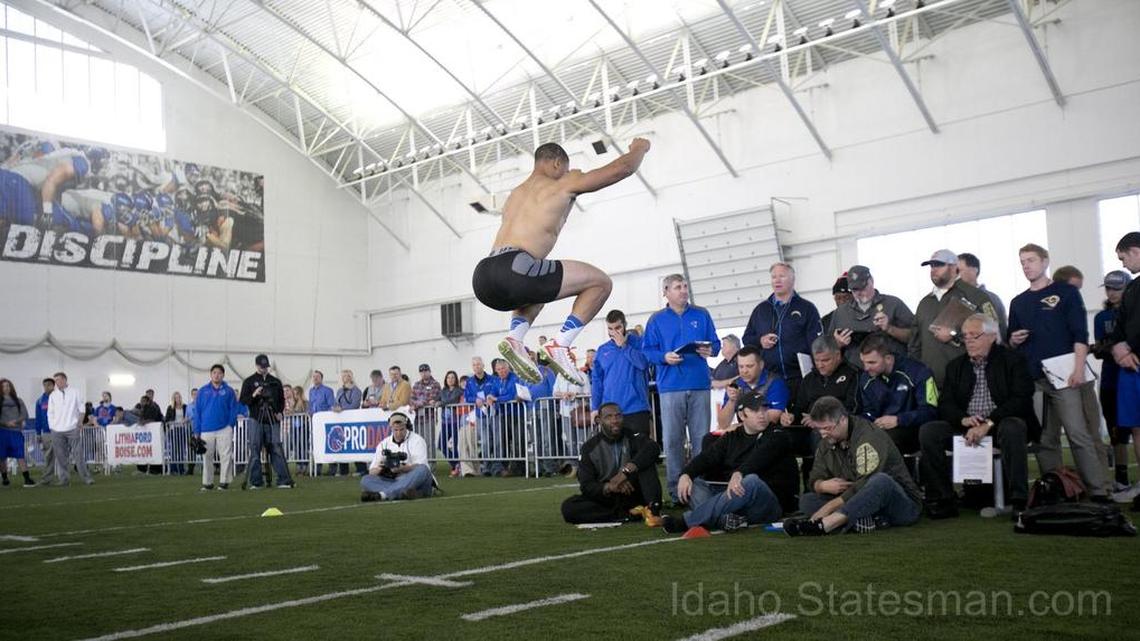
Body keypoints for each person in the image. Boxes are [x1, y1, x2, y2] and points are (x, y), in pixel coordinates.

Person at [472, 140, 651, 385]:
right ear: (557, 163)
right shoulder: (563, 182)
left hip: (484, 276)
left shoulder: (516, 194)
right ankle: (560, 344)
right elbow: (623, 169)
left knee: (538, 285)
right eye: (566, 169)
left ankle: (515, 337)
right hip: (517, 269)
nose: (568, 174)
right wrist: (639, 148)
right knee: (600, 283)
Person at [1008, 243, 1109, 499]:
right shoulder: (1018, 302)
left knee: (1078, 434)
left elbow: (1080, 334)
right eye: (1022, 262)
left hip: (1066, 376)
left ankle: (1098, 490)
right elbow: (1011, 342)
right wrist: (1014, 340)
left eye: (1030, 260)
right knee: (1044, 439)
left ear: (1044, 262)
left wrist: (1077, 369)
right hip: (1035, 378)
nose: (1026, 266)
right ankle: (1056, 489)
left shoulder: (1065, 292)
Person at [918, 314, 1037, 519]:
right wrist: (962, 419)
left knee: (1013, 427)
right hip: (968, 423)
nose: (969, 341)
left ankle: (1018, 500)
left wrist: (989, 423)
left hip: (1000, 423)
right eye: (965, 336)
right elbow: (946, 403)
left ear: (992, 336)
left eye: (975, 336)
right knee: (930, 432)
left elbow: (1021, 399)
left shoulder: (1013, 361)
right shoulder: (956, 366)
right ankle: (943, 499)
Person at [784, 396, 922, 536]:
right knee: (807, 500)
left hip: (900, 503)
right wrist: (822, 485)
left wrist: (828, 508)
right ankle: (864, 519)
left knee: (881, 481)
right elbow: (815, 476)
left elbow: (865, 482)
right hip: (853, 498)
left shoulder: (869, 437)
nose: (823, 434)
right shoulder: (826, 441)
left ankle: (825, 525)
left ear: (843, 419)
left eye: (827, 428)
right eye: (819, 429)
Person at [662, 391, 797, 533]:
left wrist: (739, 473)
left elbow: (760, 457)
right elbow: (707, 457)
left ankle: (686, 521)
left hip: (769, 502)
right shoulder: (731, 437)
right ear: (741, 415)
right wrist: (686, 474)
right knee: (695, 482)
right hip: (735, 498)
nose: (761, 414)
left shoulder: (778, 435)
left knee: (751, 481)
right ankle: (723, 519)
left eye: (764, 409)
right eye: (755, 410)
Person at [642, 274, 721, 503]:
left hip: (699, 383)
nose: (684, 290)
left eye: (685, 286)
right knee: (673, 440)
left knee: (701, 439)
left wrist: (711, 350)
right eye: (678, 287)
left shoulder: (702, 314)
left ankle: (699, 489)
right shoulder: (656, 320)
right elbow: (647, 351)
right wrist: (663, 357)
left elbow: (715, 343)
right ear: (666, 292)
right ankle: (676, 492)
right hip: (670, 387)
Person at [560, 403, 662, 524]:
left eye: (618, 416)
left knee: (645, 462)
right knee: (569, 507)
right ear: (599, 420)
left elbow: (653, 448)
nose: (615, 420)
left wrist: (625, 473)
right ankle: (626, 515)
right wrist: (609, 487)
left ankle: (653, 510)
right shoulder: (589, 448)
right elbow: (586, 486)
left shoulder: (633, 436)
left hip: (633, 492)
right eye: (609, 417)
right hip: (609, 497)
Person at [909, 249, 996, 389]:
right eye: (931, 266)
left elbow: (993, 334)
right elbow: (915, 344)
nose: (933, 270)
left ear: (954, 267)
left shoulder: (975, 296)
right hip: (931, 384)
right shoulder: (925, 302)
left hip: (969, 382)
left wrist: (954, 335)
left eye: (939, 265)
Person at [781, 335, 860, 489]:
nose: (820, 365)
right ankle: (790, 492)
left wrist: (819, 421)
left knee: (819, 435)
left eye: (825, 360)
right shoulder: (810, 379)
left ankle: (821, 485)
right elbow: (800, 408)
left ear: (837, 355)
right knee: (780, 437)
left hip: (838, 427)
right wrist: (790, 417)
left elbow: (852, 407)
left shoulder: (852, 374)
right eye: (817, 361)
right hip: (807, 427)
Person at [741, 262, 823, 390]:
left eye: (782, 276)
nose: (777, 280)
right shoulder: (761, 310)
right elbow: (747, 338)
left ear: (793, 279)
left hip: (801, 377)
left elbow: (817, 343)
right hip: (769, 379)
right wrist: (760, 341)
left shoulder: (807, 308)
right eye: (774, 277)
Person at [855, 334, 938, 455]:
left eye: (872, 362)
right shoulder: (866, 378)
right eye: (863, 362)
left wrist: (899, 420)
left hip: (912, 429)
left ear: (888, 359)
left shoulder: (919, 372)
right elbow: (869, 411)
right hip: (881, 429)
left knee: (883, 441)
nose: (866, 368)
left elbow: (930, 412)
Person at [828, 265, 915, 370]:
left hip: (892, 374)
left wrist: (889, 328)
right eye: (855, 290)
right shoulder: (841, 313)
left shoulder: (893, 304)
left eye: (863, 287)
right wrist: (838, 344)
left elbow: (915, 337)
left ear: (872, 281)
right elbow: (828, 347)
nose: (860, 293)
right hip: (855, 375)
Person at [1106, 232, 1140, 502]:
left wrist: (1129, 346)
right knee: (1137, 427)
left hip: (1135, 359)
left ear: (1136, 251)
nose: (1124, 264)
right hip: (1130, 367)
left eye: (1124, 257)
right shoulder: (1133, 288)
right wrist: (1118, 347)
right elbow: (1120, 325)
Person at [1094, 270, 1134, 493]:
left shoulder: (1133, 314)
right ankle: (1121, 478)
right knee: (1116, 431)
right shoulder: (1102, 317)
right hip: (1111, 379)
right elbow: (1100, 350)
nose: (1112, 292)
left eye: (1116, 288)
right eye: (1108, 288)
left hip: (1130, 374)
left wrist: (1110, 346)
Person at [590, 309, 651, 434]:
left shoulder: (639, 343)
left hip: (636, 407)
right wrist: (595, 407)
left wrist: (624, 346)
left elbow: (643, 364)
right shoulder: (602, 350)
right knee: (614, 451)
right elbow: (597, 381)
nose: (613, 332)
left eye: (617, 327)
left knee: (640, 449)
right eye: (610, 329)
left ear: (625, 325)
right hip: (610, 411)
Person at [239, 354, 294, 490]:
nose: (264, 369)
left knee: (276, 448)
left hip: (272, 420)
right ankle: (256, 481)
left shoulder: (275, 382)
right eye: (262, 367)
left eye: (266, 367)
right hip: (256, 419)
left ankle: (283, 480)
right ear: (257, 365)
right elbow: (243, 400)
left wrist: (280, 412)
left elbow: (281, 400)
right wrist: (254, 394)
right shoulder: (249, 381)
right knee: (255, 448)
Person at [360, 410, 433, 502]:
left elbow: (421, 466)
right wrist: (381, 469)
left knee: (423, 470)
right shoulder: (384, 444)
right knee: (365, 480)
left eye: (402, 429)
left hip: (414, 480)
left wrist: (403, 468)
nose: (398, 433)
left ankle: (383, 495)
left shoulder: (417, 440)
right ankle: (403, 493)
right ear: (391, 428)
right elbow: (372, 471)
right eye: (396, 430)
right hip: (393, 480)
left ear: (407, 427)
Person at [191, 364, 240, 491]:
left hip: (224, 428)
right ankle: (207, 483)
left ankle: (224, 482)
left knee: (226, 456)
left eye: (219, 373)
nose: (216, 375)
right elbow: (197, 411)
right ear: (211, 375)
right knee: (207, 456)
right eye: (214, 373)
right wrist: (196, 430)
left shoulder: (229, 391)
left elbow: (234, 409)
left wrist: (230, 425)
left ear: (223, 375)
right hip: (206, 429)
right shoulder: (202, 391)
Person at [717, 346, 787, 429]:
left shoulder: (774, 382)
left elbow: (772, 418)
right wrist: (732, 401)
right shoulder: (736, 384)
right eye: (741, 367)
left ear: (761, 365)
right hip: (744, 436)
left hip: (770, 434)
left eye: (749, 366)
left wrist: (739, 428)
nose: (744, 371)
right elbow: (723, 424)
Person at [47, 372, 92, 486]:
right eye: (55, 380)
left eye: (58, 380)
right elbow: (50, 413)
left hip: (72, 428)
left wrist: (80, 423)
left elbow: (82, 409)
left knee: (78, 455)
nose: (56, 382)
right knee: (61, 457)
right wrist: (52, 427)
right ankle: (64, 480)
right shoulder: (53, 395)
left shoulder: (75, 391)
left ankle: (86, 478)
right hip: (56, 430)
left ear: (65, 380)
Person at [958, 252, 1009, 338]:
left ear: (974, 270)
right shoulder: (953, 297)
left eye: (959, 270)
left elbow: (997, 331)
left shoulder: (989, 298)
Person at [485, 358, 522, 477]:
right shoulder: (497, 381)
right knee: (503, 442)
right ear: (496, 370)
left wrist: (497, 399)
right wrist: (490, 396)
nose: (501, 371)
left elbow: (512, 395)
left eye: (503, 369)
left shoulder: (515, 378)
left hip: (516, 414)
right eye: (499, 369)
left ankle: (519, 468)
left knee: (517, 442)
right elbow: (493, 392)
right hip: (502, 414)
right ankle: (504, 469)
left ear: (508, 368)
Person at [0, 378, 35, 487]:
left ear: (11, 387)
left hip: (16, 432)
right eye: (4, 386)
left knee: (20, 455)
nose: (6, 388)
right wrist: (5, 424)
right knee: (2, 457)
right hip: (2, 432)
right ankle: (5, 479)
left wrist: (15, 422)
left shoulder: (19, 401)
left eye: (8, 386)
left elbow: (25, 415)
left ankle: (27, 479)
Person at [439, 371, 464, 477]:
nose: (450, 379)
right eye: (448, 377)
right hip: (445, 422)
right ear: (446, 379)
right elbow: (438, 399)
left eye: (453, 377)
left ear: (456, 379)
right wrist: (433, 402)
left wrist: (440, 403)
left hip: (455, 421)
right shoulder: (443, 390)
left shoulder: (459, 390)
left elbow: (452, 400)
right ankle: (456, 464)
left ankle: (457, 467)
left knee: (455, 445)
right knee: (441, 444)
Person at [34, 378, 57, 485]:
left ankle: (64, 478)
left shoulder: (60, 398)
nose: (47, 387)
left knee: (63, 455)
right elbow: (38, 418)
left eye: (49, 385)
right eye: (45, 385)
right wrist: (38, 433)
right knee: (48, 456)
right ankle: (46, 479)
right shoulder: (40, 401)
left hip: (60, 430)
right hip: (47, 432)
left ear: (53, 386)